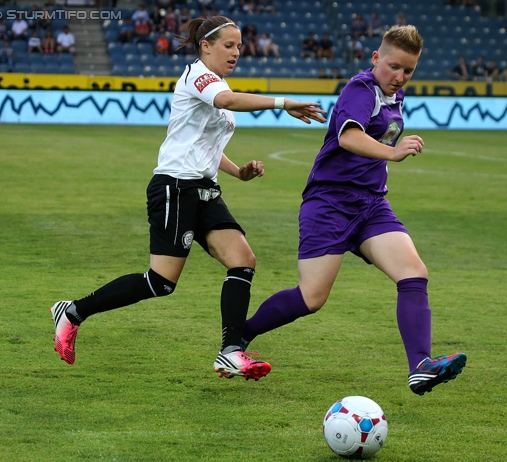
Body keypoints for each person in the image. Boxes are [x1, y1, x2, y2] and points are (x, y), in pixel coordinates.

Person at [50, 16, 327, 382]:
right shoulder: (197, 76)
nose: (236, 52)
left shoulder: (217, 85)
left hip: (204, 188)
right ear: (205, 46)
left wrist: (238, 171)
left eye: (240, 46)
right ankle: (72, 312)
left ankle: (231, 351)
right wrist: (282, 102)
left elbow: (204, 144)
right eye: (228, 45)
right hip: (175, 187)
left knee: (243, 259)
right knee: (160, 282)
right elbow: (226, 100)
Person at [240, 24, 467, 395]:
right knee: (311, 298)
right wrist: (393, 152)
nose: (400, 76)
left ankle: (421, 366)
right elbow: (348, 135)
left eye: (408, 70)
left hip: (372, 204)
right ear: (376, 57)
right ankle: (240, 334)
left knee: (413, 274)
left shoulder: (396, 95)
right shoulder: (360, 90)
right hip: (329, 204)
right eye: (393, 66)